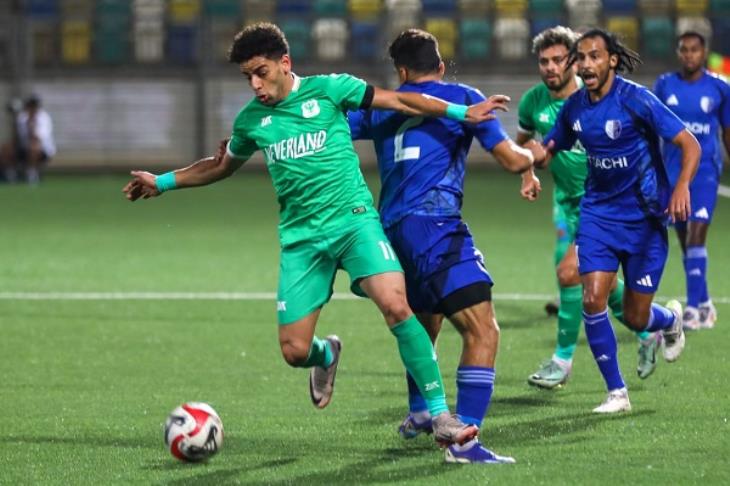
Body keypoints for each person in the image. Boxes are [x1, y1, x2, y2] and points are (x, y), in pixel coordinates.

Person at [122, 22, 510, 450]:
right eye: (247, 76)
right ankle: (327, 355)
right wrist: (161, 182)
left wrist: (461, 113)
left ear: (284, 63)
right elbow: (219, 166)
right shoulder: (252, 120)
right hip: (303, 241)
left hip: (355, 222)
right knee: (293, 350)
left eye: (261, 71)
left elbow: (399, 100)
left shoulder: (331, 89)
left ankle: (440, 417)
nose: (255, 84)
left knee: (398, 305)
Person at [348, 29, 541, 464]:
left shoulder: (383, 105)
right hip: (435, 226)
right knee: (482, 330)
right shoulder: (462, 97)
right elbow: (512, 158)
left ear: (400, 71)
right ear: (440, 64)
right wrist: (534, 158)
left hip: (390, 233)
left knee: (424, 323)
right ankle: (464, 444)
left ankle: (420, 412)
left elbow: (331, 129)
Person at [543, 29, 700, 413]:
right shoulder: (575, 107)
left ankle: (668, 319)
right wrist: (530, 165)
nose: (587, 65)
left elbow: (689, 143)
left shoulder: (636, 100)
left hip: (644, 219)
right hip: (598, 215)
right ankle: (617, 393)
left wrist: (681, 187)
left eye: (595, 56)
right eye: (581, 58)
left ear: (612, 59)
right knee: (593, 297)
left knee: (635, 315)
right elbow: (550, 145)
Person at [516, 26, 663, 389]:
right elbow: (523, 145)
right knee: (594, 286)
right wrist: (527, 174)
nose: (550, 68)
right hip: (568, 204)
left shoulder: (594, 97)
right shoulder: (533, 102)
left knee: (570, 274)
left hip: (608, 206)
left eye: (558, 60)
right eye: (543, 61)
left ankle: (562, 360)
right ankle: (650, 331)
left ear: (573, 62)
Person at [654, 31, 730, 331]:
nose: (689, 55)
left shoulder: (720, 87)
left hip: (706, 172)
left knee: (698, 235)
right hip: (673, 174)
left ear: (704, 52)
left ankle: (693, 309)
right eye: (683, 49)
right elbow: (653, 127)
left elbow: (727, 133)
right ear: (678, 52)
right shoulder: (664, 85)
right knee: (686, 242)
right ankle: (707, 302)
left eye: (694, 50)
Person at [0, 95, 56, 184]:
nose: (32, 108)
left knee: (33, 147)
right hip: (24, 148)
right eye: (30, 105)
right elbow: (16, 138)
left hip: (42, 150)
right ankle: (11, 174)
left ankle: (31, 174)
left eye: (34, 106)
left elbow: (37, 138)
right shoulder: (22, 117)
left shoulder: (44, 118)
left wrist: (31, 123)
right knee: (6, 148)